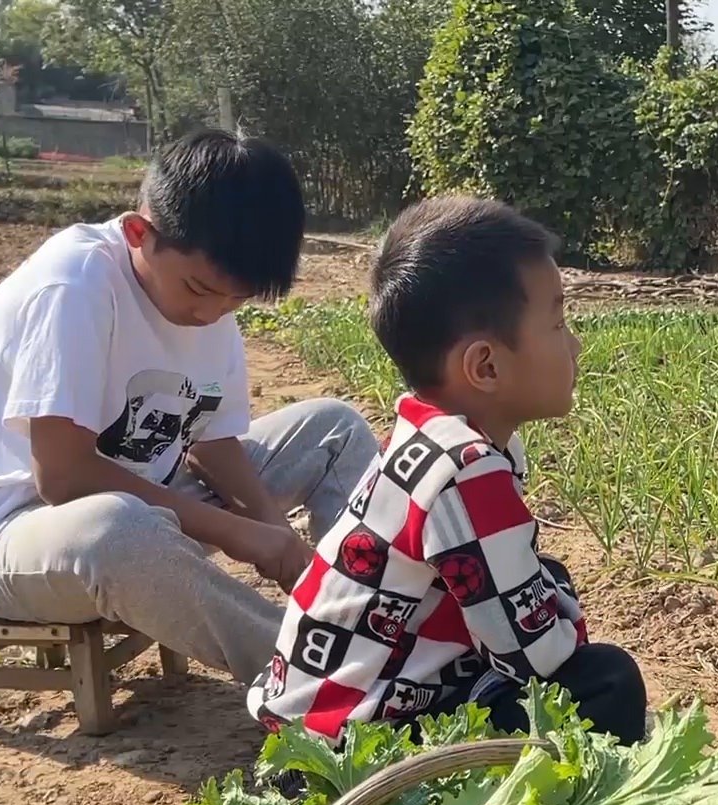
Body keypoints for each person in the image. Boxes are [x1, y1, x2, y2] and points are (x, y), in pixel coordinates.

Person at [0, 129, 378, 685]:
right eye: (199, 290)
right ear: (140, 233)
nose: (213, 314)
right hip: (19, 542)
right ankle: (323, 675)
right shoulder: (74, 286)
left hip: (151, 507)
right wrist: (238, 533)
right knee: (119, 529)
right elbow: (62, 478)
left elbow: (211, 443)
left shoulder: (207, 297)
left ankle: (368, 620)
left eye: (236, 300)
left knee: (334, 431)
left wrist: (269, 526)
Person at [251, 195, 648, 746]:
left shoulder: (427, 438)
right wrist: (559, 605)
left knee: (542, 595)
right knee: (606, 683)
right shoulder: (468, 471)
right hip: (353, 756)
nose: (574, 343)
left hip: (315, 728)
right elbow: (536, 657)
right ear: (485, 365)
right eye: (558, 323)